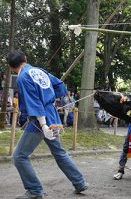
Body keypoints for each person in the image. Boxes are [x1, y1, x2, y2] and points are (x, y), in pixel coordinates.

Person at [7, 50, 88, 199]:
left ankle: (34, 190)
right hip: (52, 115)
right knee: (59, 152)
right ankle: (80, 182)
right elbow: (60, 87)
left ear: (11, 67)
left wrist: (43, 125)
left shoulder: (23, 77)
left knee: (19, 156)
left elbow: (35, 102)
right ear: (26, 58)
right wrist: (49, 99)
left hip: (40, 120)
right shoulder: (39, 70)